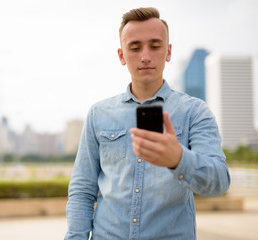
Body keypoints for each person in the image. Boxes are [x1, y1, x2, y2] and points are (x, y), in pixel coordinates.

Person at [64, 7, 230, 240]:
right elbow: (82, 190)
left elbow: (220, 182)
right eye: (135, 47)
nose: (145, 56)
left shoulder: (194, 112)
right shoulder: (99, 114)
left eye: (155, 46)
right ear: (121, 55)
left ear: (168, 51)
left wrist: (179, 160)